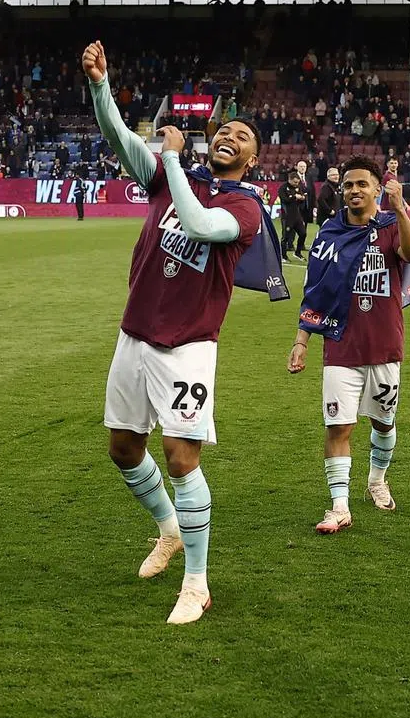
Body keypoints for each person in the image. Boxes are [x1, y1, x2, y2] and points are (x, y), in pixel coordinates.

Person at [81, 39, 284, 625]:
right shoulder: (173, 176)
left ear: (252, 160)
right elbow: (122, 142)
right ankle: (168, 531)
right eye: (226, 129)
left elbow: (197, 225)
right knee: (123, 448)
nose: (229, 136)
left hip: (188, 347)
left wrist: (171, 158)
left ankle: (197, 581)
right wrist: (100, 85)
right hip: (135, 333)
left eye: (243, 136)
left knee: (181, 456)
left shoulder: (246, 208)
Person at [287, 157, 410, 533]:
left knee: (383, 423)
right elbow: (314, 291)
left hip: (384, 344)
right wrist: (302, 340)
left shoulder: (390, 226)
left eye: (362, 184)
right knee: (338, 427)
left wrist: (399, 209)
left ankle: (377, 481)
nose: (354, 191)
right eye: (348, 185)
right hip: (340, 345)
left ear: (376, 189)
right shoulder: (329, 233)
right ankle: (339, 506)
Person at [278, 169, 308, 260]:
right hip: (287, 216)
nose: (296, 184)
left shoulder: (298, 187)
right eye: (295, 182)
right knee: (285, 237)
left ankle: (298, 252)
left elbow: (302, 196)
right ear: (290, 179)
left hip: (297, 215)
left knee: (303, 234)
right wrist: (294, 197)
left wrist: (302, 198)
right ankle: (283, 256)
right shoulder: (283, 188)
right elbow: (284, 200)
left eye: (297, 182)